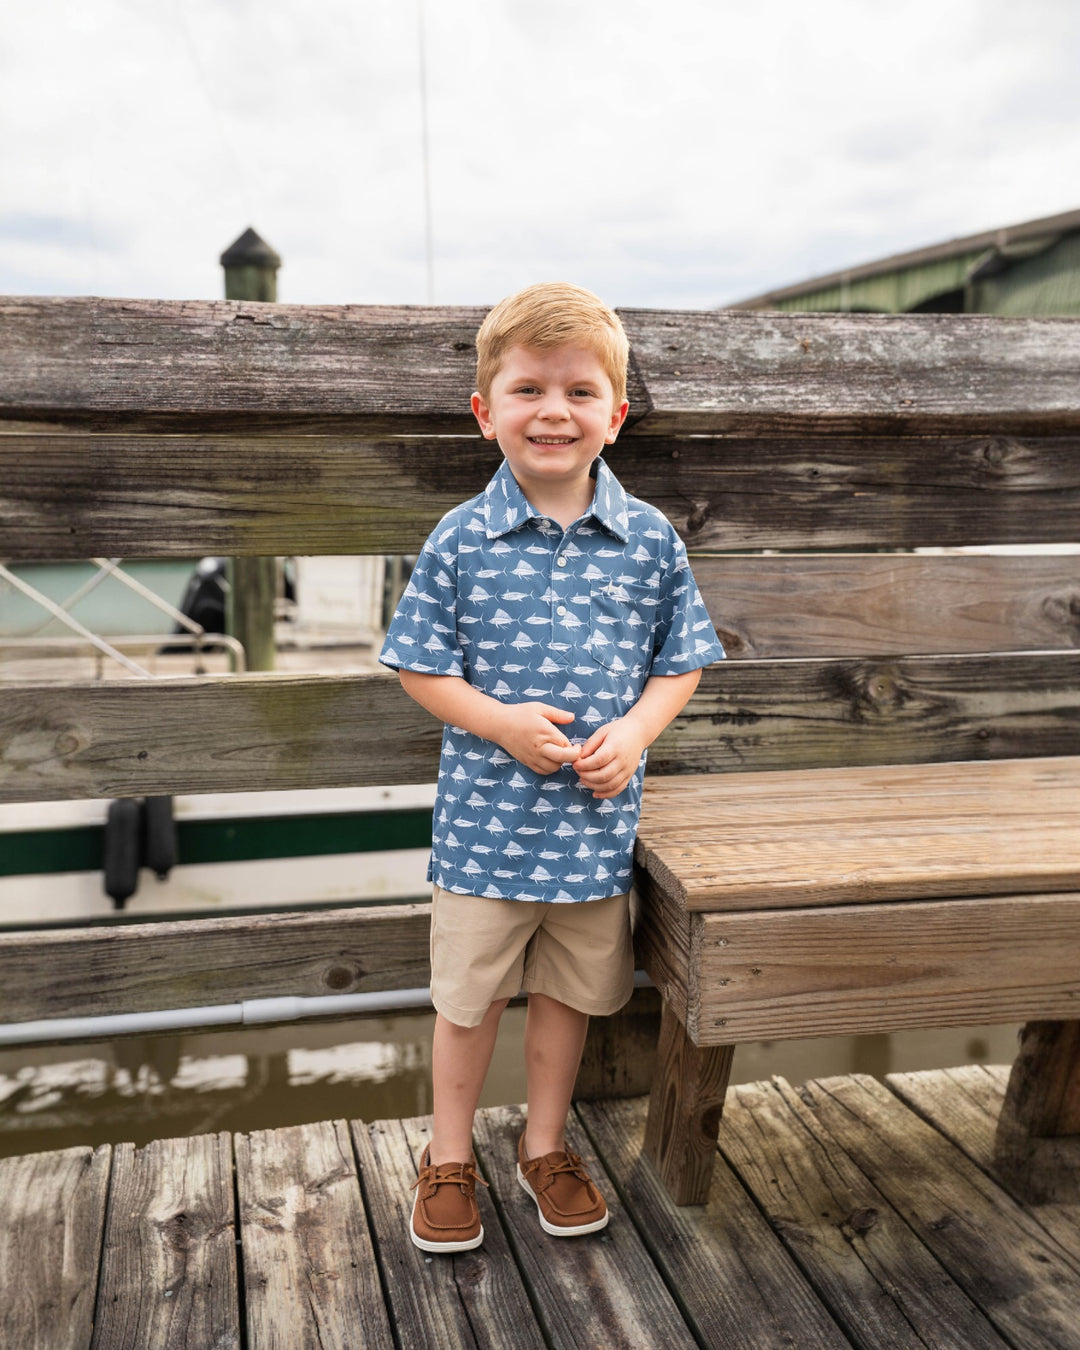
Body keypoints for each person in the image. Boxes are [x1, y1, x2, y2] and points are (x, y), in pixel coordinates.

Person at [380, 282, 725, 1252]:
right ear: (487, 413)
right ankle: (448, 1156)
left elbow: (681, 661)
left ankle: (544, 1145)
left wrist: (639, 733)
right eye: (528, 388)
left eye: (579, 391)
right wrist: (498, 724)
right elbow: (418, 666)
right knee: (468, 998)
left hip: (591, 838)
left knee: (570, 998)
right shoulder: (462, 538)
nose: (554, 410)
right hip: (484, 838)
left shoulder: (650, 539)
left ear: (614, 416)